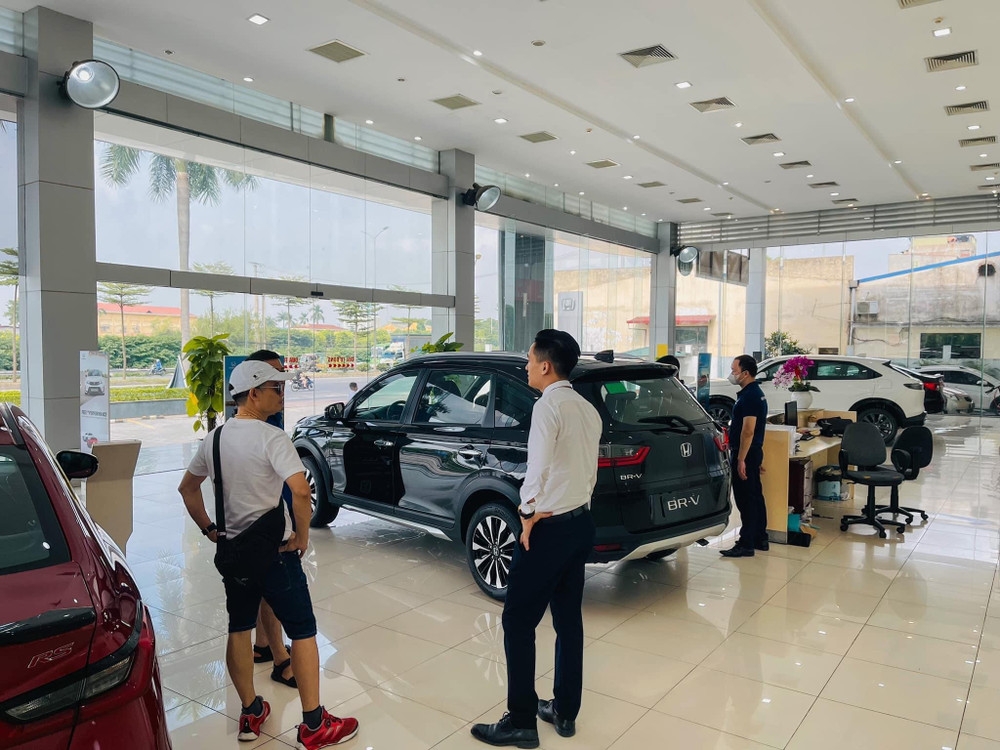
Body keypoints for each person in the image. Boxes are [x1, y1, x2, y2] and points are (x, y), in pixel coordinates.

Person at [178, 360, 358, 748]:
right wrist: (302, 536)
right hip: (276, 553)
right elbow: (301, 490)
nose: (282, 394)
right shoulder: (272, 438)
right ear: (254, 393)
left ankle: (250, 711)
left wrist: (210, 529)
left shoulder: (214, 439)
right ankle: (314, 725)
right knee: (303, 630)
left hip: (234, 552)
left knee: (239, 628)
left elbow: (187, 488)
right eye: (277, 388)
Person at [471, 329, 602, 748]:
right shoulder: (587, 408)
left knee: (517, 620)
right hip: (580, 523)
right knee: (568, 621)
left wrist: (527, 513)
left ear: (545, 366)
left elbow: (538, 468)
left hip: (549, 529)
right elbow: (587, 472)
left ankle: (522, 721)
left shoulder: (548, 407)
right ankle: (564, 710)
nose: (526, 366)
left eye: (529, 360)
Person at [244, 350, 295, 688]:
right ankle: (280, 658)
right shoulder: (254, 431)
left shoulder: (271, 424)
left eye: (281, 378)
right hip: (265, 524)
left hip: (276, 517)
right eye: (273, 380)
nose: (280, 387)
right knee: (272, 589)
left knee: (265, 590)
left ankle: (263, 645)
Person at [721, 354, 769, 558]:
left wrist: (741, 459)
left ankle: (746, 543)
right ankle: (760, 537)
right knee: (755, 496)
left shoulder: (750, 396)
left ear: (746, 373)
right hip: (753, 452)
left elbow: (748, 431)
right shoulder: (756, 393)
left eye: (734, 371)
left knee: (746, 499)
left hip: (746, 453)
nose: (732, 374)